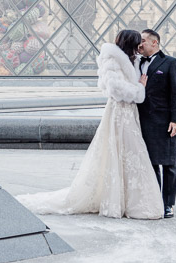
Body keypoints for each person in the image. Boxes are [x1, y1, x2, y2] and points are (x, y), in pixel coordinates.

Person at [17, 29, 164, 219]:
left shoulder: (129, 59)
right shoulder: (112, 60)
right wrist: (139, 89)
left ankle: (127, 199)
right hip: (119, 113)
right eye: (138, 43)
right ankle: (120, 199)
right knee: (122, 152)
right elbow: (115, 89)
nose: (140, 46)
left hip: (128, 114)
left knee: (129, 155)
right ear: (131, 44)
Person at [137, 29, 176, 219]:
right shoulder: (136, 63)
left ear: (154, 43)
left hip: (164, 122)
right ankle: (156, 200)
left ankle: (168, 204)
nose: (139, 45)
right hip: (143, 120)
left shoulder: (171, 63)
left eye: (142, 41)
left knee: (169, 163)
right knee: (152, 164)